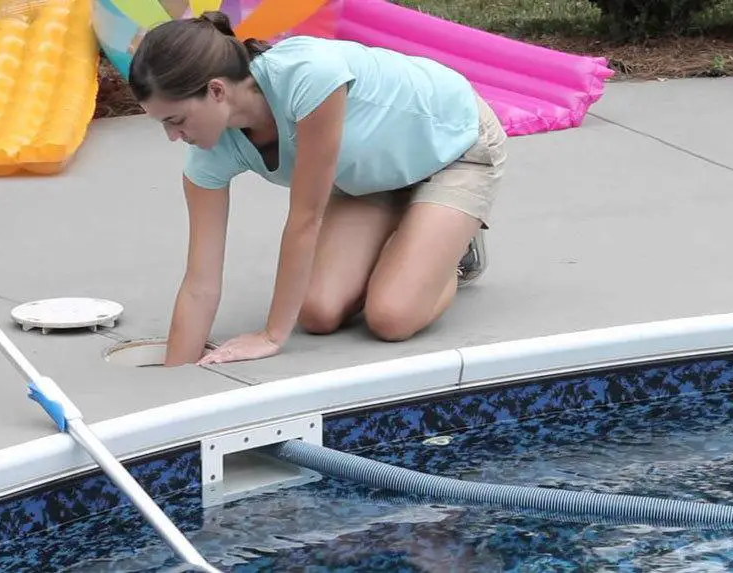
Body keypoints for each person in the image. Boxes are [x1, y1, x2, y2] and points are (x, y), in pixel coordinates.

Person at [127, 11, 508, 367]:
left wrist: (272, 335)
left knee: (392, 316)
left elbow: (305, 219)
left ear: (216, 91)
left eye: (175, 120)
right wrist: (176, 375)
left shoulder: (308, 77)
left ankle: (453, 252)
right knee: (318, 311)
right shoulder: (206, 156)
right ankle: (416, 233)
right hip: (370, 179)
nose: (173, 137)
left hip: (453, 144)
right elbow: (200, 282)